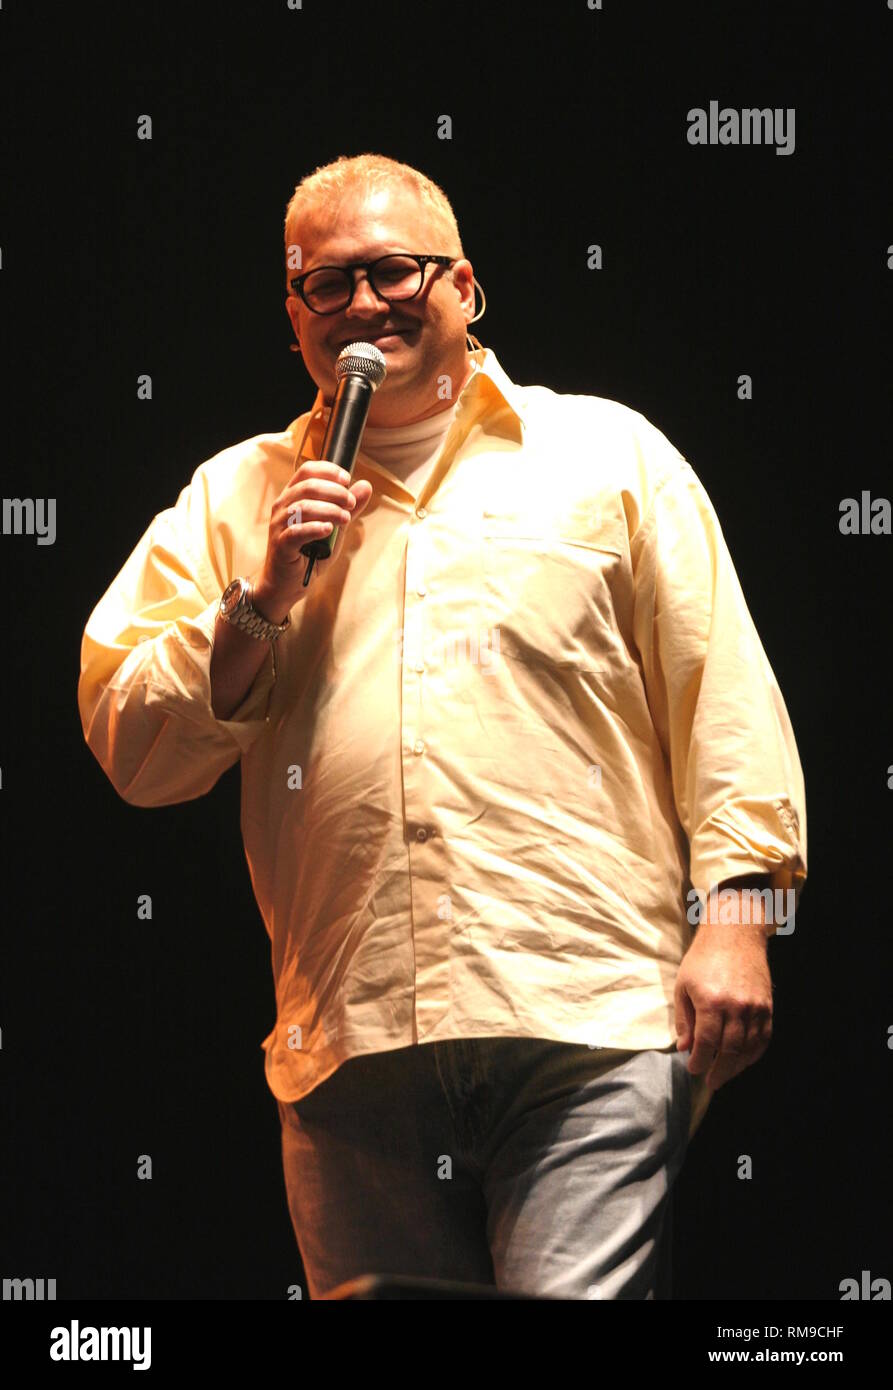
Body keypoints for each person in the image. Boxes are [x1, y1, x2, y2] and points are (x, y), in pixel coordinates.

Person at [78, 152, 807, 1300]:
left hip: (590, 1015)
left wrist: (740, 925)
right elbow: (132, 746)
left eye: (393, 271)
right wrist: (258, 599)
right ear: (294, 317)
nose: (363, 303)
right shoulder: (238, 496)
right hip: (349, 1043)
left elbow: (724, 707)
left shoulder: (607, 455)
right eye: (327, 283)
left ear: (463, 284)